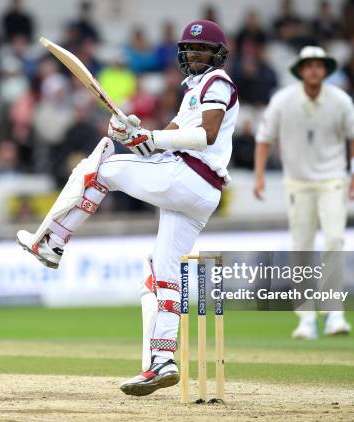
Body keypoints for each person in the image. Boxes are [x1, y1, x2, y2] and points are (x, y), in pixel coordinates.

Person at [17, 19, 238, 396]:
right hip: (196, 191)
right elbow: (160, 143)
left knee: (101, 164)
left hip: (189, 177)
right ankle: (162, 361)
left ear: (217, 55)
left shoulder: (216, 83)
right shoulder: (190, 93)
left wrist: (146, 137)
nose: (196, 55)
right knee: (160, 276)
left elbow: (205, 135)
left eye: (203, 49)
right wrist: (130, 133)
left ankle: (52, 242)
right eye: (191, 49)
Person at [254, 46, 354, 340]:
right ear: (300, 71)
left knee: (334, 240)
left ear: (325, 70)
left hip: (332, 180)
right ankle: (306, 320)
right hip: (298, 183)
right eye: (309, 65)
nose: (314, 70)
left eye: (319, 65)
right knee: (301, 248)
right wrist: (260, 176)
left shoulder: (340, 100)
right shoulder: (283, 100)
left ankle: (334, 315)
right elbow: (264, 138)